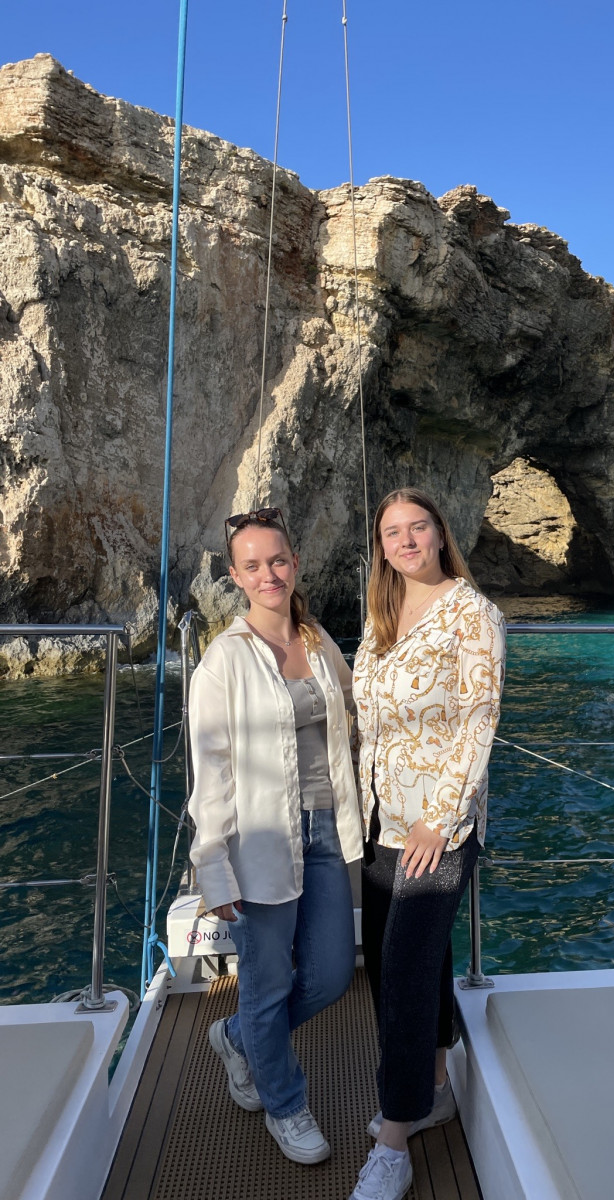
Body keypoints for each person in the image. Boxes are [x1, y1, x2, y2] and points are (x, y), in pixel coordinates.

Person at [187, 506, 362, 1165]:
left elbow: (354, 715)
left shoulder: (318, 641)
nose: (269, 574)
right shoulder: (223, 661)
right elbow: (210, 771)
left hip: (325, 831)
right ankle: (285, 1104)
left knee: (329, 975)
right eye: (253, 565)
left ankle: (237, 1037)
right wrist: (212, 867)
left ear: (295, 564)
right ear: (235, 576)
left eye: (278, 560)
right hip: (258, 840)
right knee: (268, 986)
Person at [349, 487, 506, 1200]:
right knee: (400, 964)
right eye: (393, 532)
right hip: (381, 818)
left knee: (406, 970)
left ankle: (394, 1139)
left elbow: (478, 720)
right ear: (381, 547)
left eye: (418, 528)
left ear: (441, 534)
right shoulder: (382, 616)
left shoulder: (473, 613)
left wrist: (438, 820)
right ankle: (435, 1086)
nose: (406, 541)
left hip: (437, 828)